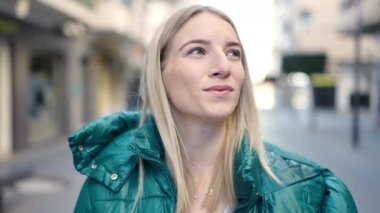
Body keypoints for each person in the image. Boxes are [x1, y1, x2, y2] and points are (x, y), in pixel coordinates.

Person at [68, 5, 357, 213]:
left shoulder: (312, 192)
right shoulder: (106, 188)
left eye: (233, 53)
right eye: (197, 50)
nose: (223, 67)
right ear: (160, 72)